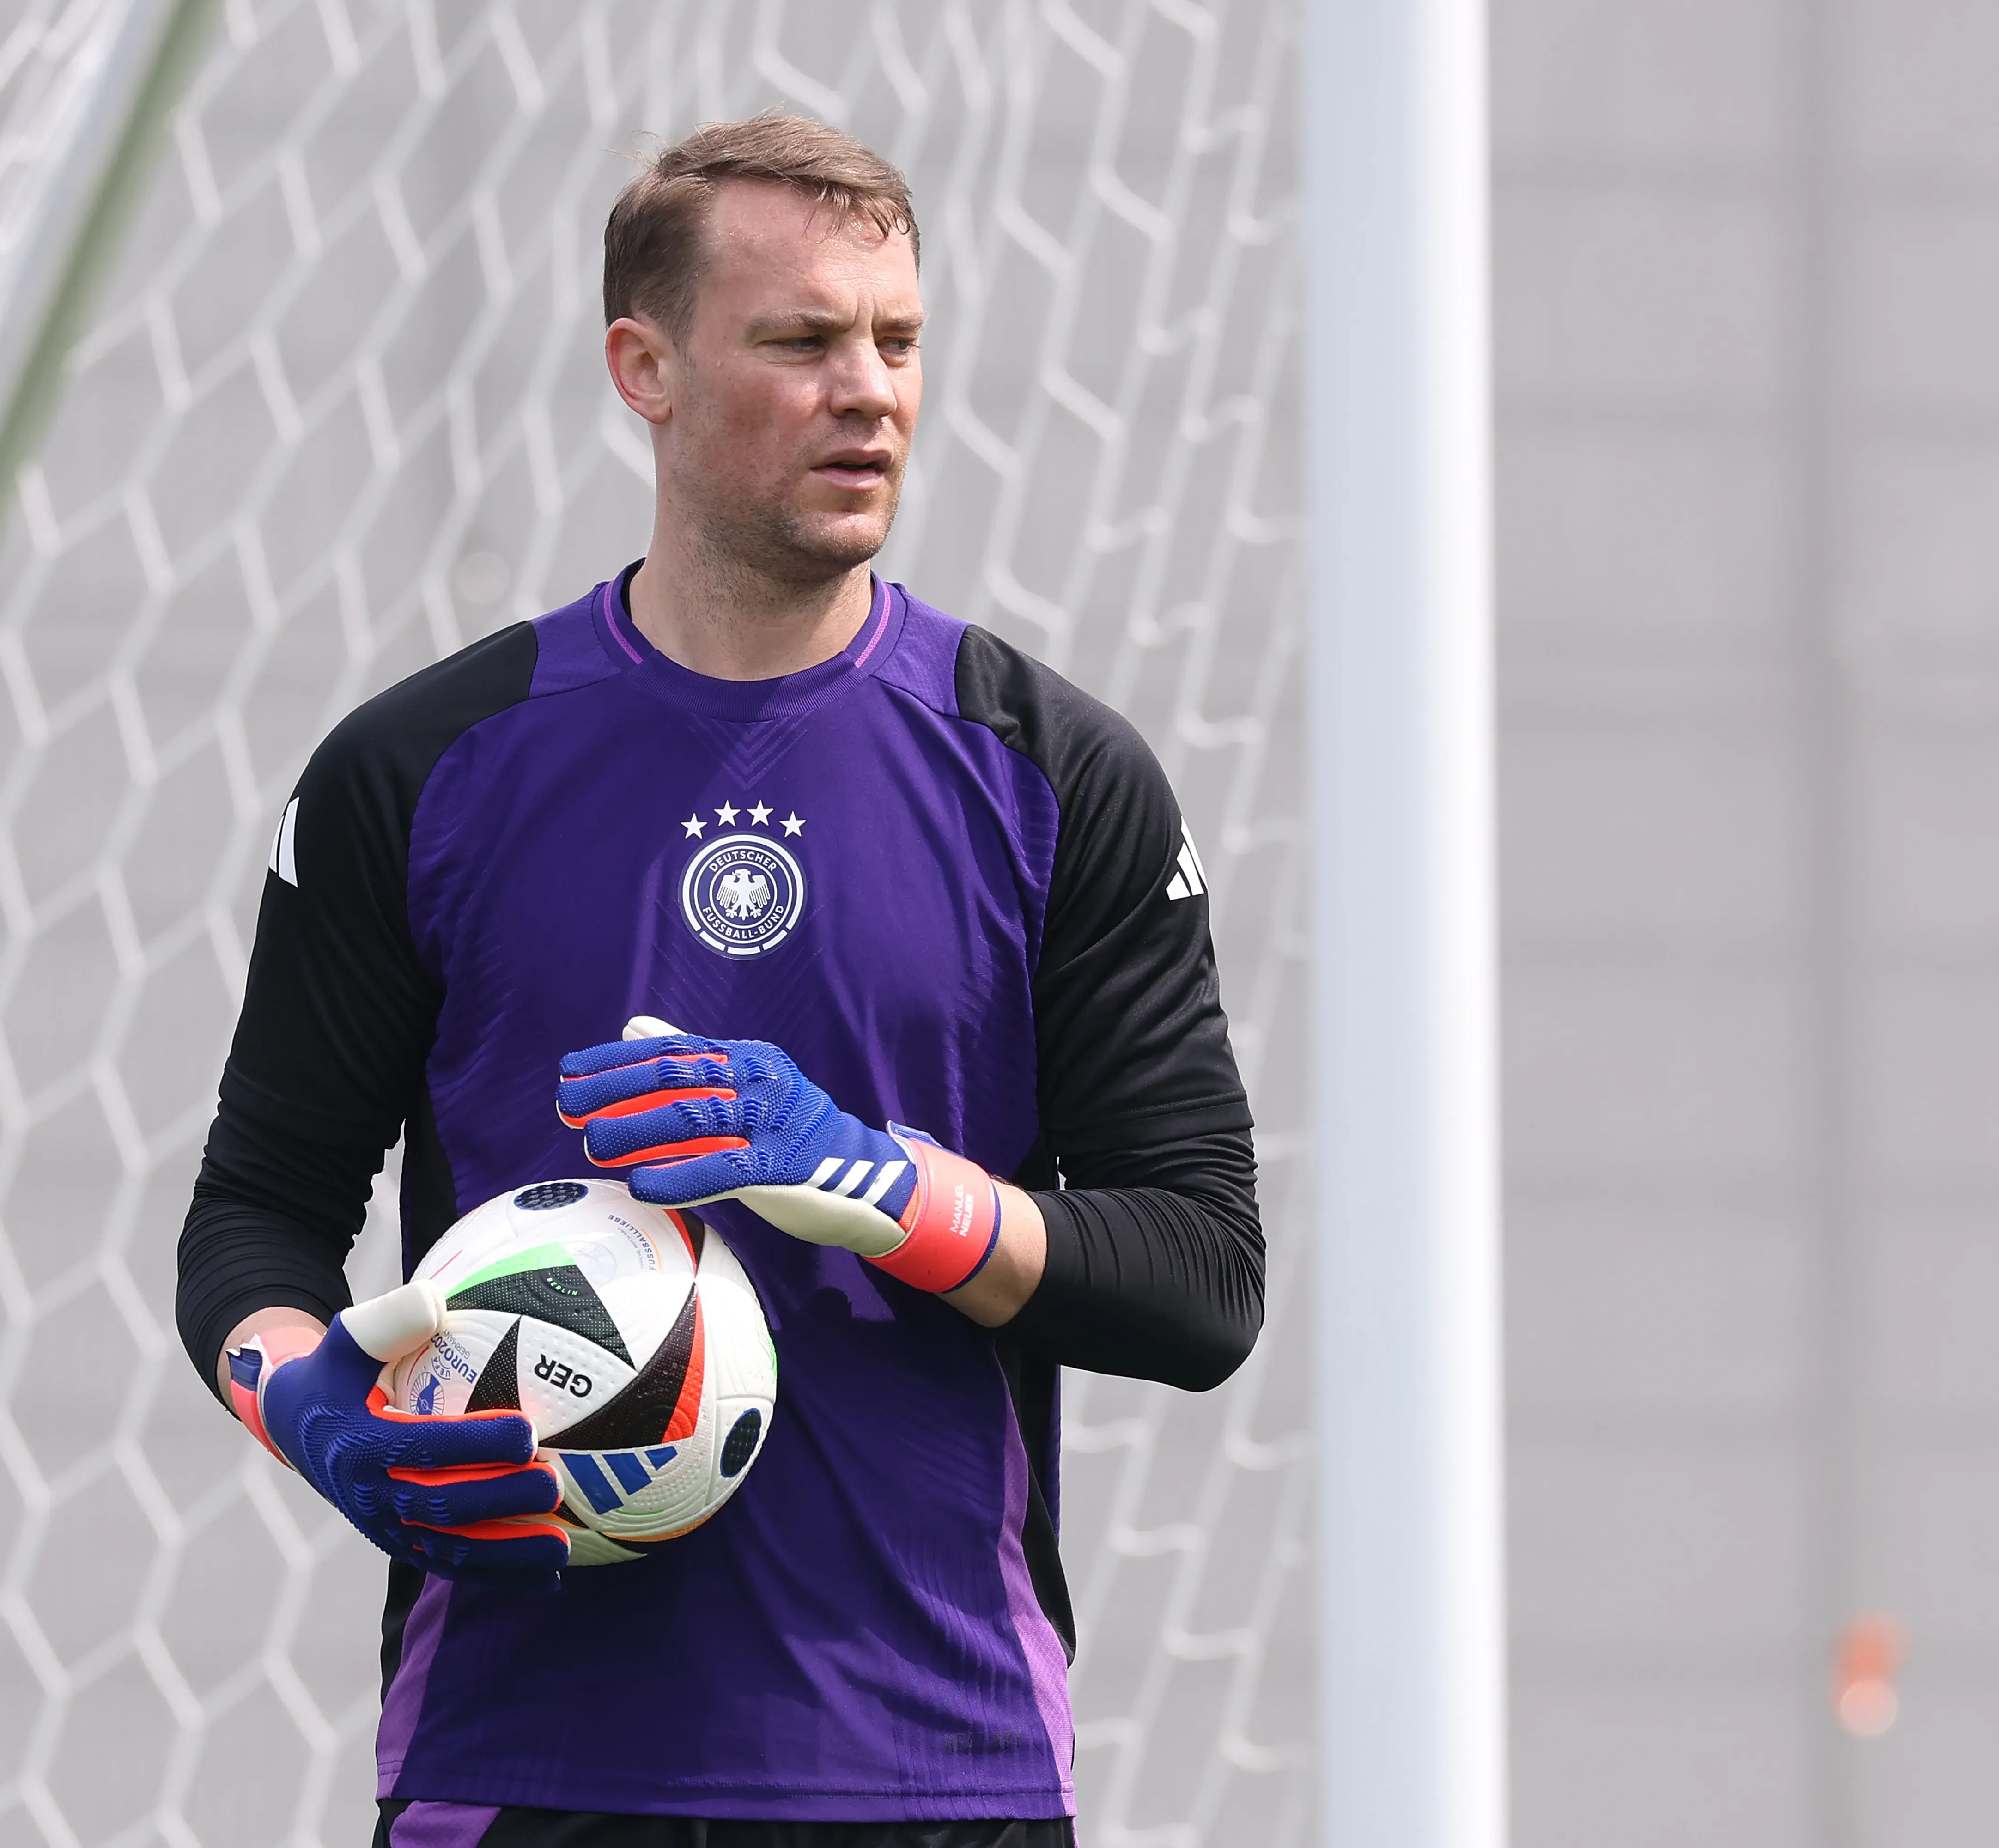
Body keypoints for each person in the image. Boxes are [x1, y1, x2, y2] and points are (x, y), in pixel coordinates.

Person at [175, 115, 1263, 1848]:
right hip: (514, 1768)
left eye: (898, 341)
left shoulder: (1055, 776)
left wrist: (882, 1184)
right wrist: (319, 1416)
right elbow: (251, 1219)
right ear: (646, 367)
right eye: (803, 341)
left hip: (935, 1766)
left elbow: (1205, 1280)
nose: (871, 392)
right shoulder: (421, 768)